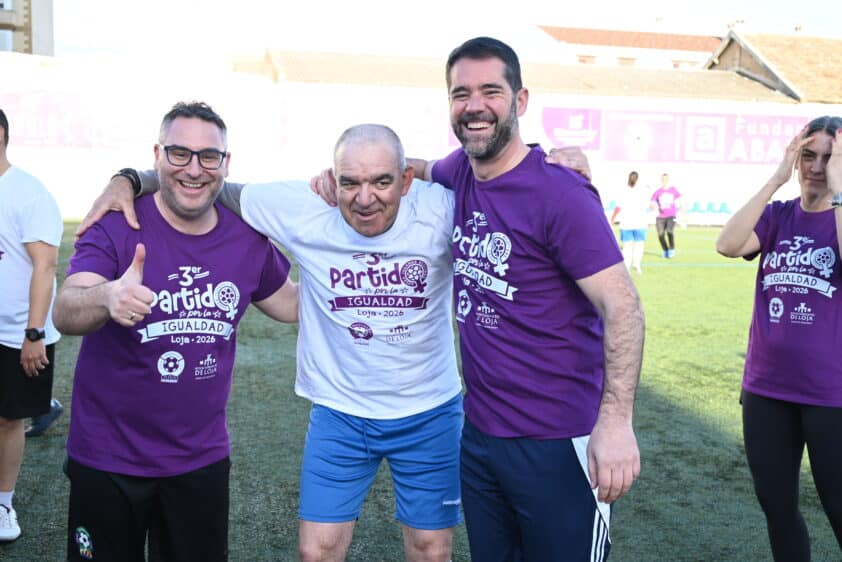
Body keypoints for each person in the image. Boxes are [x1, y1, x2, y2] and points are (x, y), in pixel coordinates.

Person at [76, 124, 466, 562]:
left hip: (429, 409)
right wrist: (130, 179)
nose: (364, 198)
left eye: (381, 181)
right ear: (333, 179)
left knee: (431, 550)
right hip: (340, 411)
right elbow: (205, 185)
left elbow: (497, 185)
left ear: (405, 180)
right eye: (350, 182)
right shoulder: (301, 205)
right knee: (316, 552)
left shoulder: (441, 207)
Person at [404, 36, 644, 561]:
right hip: (481, 438)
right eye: (461, 94)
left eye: (490, 91)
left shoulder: (561, 193)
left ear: (520, 100)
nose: (474, 106)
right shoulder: (459, 171)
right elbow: (419, 168)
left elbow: (623, 307)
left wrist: (615, 420)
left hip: (558, 441)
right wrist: (355, 171)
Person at [52, 101, 299, 562]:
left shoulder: (247, 236)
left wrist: (350, 272)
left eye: (209, 156)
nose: (194, 169)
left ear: (226, 163)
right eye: (179, 153)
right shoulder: (118, 223)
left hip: (199, 460)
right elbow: (66, 310)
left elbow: (289, 303)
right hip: (107, 458)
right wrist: (107, 296)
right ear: (157, 155)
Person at [716, 115, 842, 561]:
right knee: (777, 507)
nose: (816, 167)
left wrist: (839, 188)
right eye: (808, 155)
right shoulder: (779, 216)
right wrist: (775, 179)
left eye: (829, 157)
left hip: (831, 395)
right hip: (766, 389)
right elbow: (728, 244)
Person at [0, 109, 63, 542]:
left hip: (16, 334)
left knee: (8, 420)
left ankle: (3, 504)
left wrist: (34, 334)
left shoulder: (29, 193)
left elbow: (45, 266)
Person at [610, 171, 649, 275]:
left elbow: (618, 207)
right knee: (639, 245)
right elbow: (648, 206)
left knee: (627, 247)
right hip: (640, 223)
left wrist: (612, 218)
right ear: (638, 179)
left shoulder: (624, 191)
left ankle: (627, 268)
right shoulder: (643, 191)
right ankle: (637, 265)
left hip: (626, 223)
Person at [651, 172, 682, 258]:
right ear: (661, 180)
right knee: (660, 235)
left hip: (671, 215)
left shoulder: (673, 190)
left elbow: (680, 200)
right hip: (660, 217)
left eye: (666, 179)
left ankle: (671, 249)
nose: (664, 180)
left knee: (669, 231)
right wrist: (652, 206)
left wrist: (682, 212)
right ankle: (665, 250)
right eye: (663, 179)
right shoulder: (658, 192)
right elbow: (652, 202)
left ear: (668, 180)